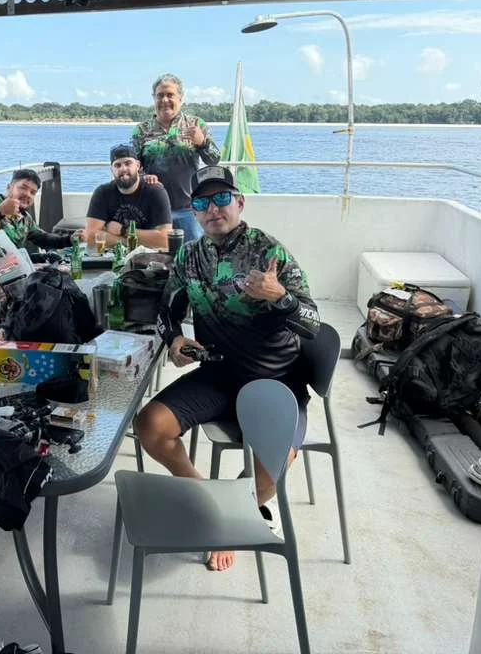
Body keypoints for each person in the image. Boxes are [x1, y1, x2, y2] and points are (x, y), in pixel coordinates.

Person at [135, 165, 321, 573]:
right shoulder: (189, 256)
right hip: (218, 377)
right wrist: (174, 340)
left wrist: (281, 296)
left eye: (222, 199)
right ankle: (210, 501)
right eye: (202, 202)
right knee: (149, 424)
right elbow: (167, 311)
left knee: (274, 461)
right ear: (194, 211)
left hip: (277, 383)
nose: (213, 209)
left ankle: (237, 512)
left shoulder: (269, 251)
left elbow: (312, 322)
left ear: (239, 202)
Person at [131, 73, 220, 241]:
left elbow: (214, 160)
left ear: (181, 97)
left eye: (170, 95)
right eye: (160, 95)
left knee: (193, 258)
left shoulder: (196, 124)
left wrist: (202, 142)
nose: (165, 100)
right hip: (154, 208)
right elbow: (132, 167)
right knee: (155, 259)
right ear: (153, 98)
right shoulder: (141, 130)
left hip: (190, 209)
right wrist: (143, 177)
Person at [83, 143, 171, 250]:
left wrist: (123, 231)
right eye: (117, 165)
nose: (123, 169)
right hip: (113, 255)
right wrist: (129, 242)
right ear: (111, 169)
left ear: (138, 166)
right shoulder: (102, 192)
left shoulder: (155, 192)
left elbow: (165, 239)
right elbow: (91, 235)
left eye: (128, 163)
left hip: (148, 256)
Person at [0, 168, 73, 253]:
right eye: (23, 188)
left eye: (33, 192)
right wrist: (0, 211)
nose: (28, 194)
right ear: (9, 187)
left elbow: (42, 238)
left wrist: (69, 240)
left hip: (14, 264)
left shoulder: (25, 218)